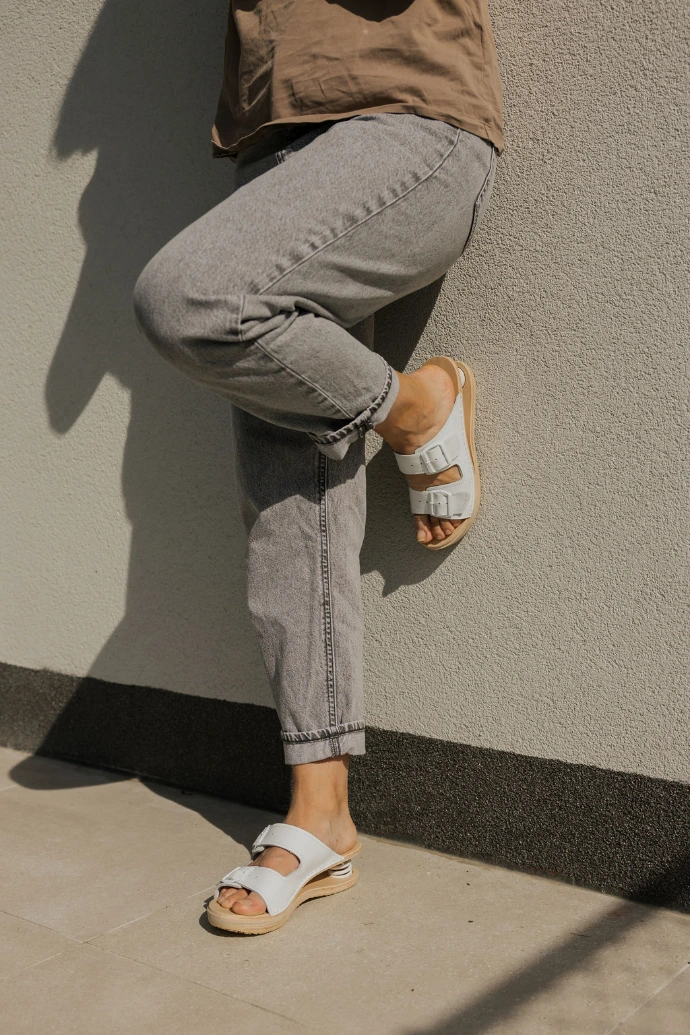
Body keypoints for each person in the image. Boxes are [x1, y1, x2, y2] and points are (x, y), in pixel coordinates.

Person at [133, 0, 503, 934]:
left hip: (408, 117)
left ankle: (415, 409)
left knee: (192, 298)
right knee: (288, 485)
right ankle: (320, 811)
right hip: (277, 142)